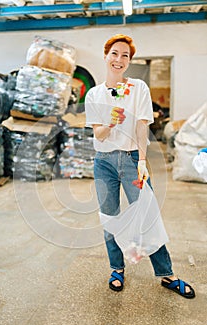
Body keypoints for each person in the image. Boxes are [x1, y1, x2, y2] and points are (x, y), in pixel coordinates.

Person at [84, 34, 195, 298]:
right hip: (104, 163)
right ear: (105, 56)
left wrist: (143, 161)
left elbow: (142, 125)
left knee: (148, 214)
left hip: (133, 158)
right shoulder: (94, 94)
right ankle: (116, 269)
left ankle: (166, 274)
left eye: (125, 55)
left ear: (129, 61)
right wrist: (110, 122)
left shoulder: (138, 88)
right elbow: (98, 135)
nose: (119, 59)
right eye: (114, 53)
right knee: (110, 218)